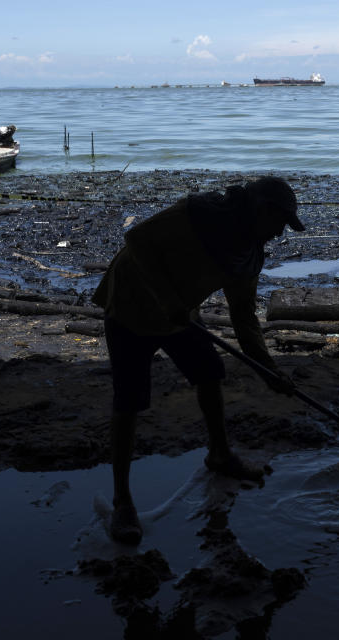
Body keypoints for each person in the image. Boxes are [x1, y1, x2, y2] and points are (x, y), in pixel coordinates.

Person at [92, 176, 304, 544]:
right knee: (130, 400)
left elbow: (244, 318)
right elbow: (136, 239)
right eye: (277, 223)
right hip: (130, 304)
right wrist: (166, 298)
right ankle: (122, 501)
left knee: (209, 372)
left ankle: (220, 454)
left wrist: (268, 370)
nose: (278, 234)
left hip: (180, 313)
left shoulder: (248, 253)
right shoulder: (198, 214)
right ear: (258, 210)